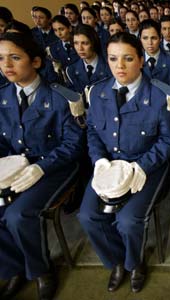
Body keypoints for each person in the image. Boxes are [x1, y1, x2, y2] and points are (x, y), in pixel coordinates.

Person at [77, 32, 170, 294]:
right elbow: (93, 132)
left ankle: (134, 264)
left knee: (129, 220)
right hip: (109, 167)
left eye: (128, 58)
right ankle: (116, 262)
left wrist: (141, 167)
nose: (119, 66)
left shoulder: (159, 96)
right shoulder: (97, 92)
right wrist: (98, 161)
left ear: (141, 60)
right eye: (112, 59)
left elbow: (168, 141)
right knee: (88, 216)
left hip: (146, 167)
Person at [0, 32, 84, 300]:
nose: (7, 65)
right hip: (13, 166)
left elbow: (73, 145)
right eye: (1, 59)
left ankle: (40, 270)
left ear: (35, 62)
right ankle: (14, 268)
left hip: (54, 166)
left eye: (15, 57)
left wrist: (41, 168)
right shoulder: (2, 96)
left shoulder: (62, 97)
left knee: (18, 215)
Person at [140, 19, 170, 92]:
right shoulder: (136, 61)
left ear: (160, 38)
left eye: (153, 38)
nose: (150, 42)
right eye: (145, 38)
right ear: (140, 39)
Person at [66, 24, 111, 93]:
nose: (80, 48)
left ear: (93, 43)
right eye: (76, 43)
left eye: (85, 43)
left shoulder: (109, 66)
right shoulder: (71, 70)